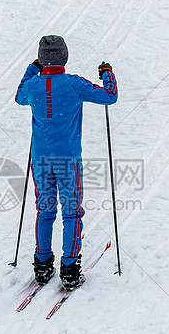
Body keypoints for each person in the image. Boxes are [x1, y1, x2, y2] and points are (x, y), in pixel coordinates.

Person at [15, 35, 118, 289]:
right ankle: (70, 269)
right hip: (68, 161)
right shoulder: (73, 84)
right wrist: (107, 73)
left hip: (40, 160)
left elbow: (19, 95)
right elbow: (110, 95)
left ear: (42, 58)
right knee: (72, 212)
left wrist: (33, 67)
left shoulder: (33, 86)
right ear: (65, 57)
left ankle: (42, 265)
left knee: (45, 210)